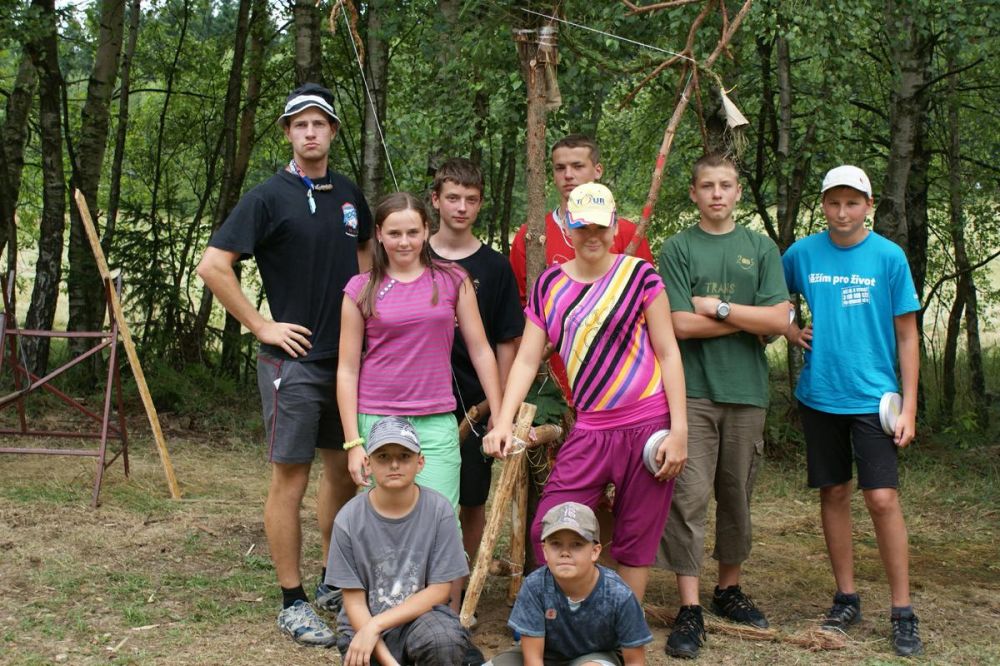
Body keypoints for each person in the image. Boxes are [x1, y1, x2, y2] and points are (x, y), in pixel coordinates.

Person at [196, 82, 370, 646]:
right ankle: (292, 600)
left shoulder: (348, 194)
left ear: (333, 131)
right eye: (300, 124)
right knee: (291, 476)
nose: (310, 132)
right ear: (288, 133)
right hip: (291, 363)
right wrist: (261, 325)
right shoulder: (268, 196)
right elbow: (213, 265)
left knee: (343, 471)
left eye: (320, 123)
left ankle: (331, 579)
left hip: (346, 363)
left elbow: (365, 258)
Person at [484, 183, 688, 603]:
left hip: (648, 423)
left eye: (600, 226)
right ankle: (568, 617)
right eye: (582, 227)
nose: (592, 236)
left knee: (636, 535)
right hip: (591, 427)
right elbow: (526, 359)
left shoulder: (640, 276)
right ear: (569, 230)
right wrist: (503, 421)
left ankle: (624, 625)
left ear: (614, 227)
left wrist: (680, 432)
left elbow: (669, 353)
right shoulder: (549, 285)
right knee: (550, 525)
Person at [782, 165, 923, 657]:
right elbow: (771, 295)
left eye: (852, 203)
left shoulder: (888, 257)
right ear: (823, 204)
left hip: (874, 400)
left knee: (882, 498)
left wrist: (909, 406)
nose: (843, 213)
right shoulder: (802, 253)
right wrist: (789, 329)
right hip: (820, 394)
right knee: (835, 491)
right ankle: (846, 599)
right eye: (834, 203)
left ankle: (902, 611)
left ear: (868, 205)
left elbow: (907, 334)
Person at [657, 153, 791, 659]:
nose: (717, 193)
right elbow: (678, 324)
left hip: (746, 392)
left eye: (726, 185)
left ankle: (728, 588)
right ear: (694, 192)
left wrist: (718, 308)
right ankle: (689, 605)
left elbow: (780, 321)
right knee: (688, 497)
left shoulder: (759, 248)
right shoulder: (678, 248)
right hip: (691, 393)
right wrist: (752, 320)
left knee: (737, 495)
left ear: (737, 192)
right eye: (708, 185)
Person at [337, 191, 502, 514]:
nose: (404, 242)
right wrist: (354, 443)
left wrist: (499, 415)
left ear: (427, 230)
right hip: (378, 417)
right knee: (385, 518)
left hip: (435, 419)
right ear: (379, 234)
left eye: (412, 232)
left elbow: (481, 350)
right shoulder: (360, 288)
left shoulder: (453, 279)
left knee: (441, 518)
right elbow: (347, 369)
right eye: (394, 233)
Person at [428, 158, 524, 611]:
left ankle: (460, 587)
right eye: (452, 198)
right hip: (418, 398)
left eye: (470, 199)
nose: (461, 207)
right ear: (435, 200)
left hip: (473, 402)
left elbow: (505, 343)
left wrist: (498, 410)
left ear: (481, 203)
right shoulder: (413, 253)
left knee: (470, 498)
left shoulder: (495, 267)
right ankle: (419, 582)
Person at [508, 134, 655, 403]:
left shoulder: (626, 233)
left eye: (577, 166)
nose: (568, 175)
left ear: (597, 170)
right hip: (551, 379)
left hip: (619, 380)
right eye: (560, 168)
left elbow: (650, 311)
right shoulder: (531, 235)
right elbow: (518, 310)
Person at [326, 416, 482, 665]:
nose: (394, 464)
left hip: (421, 619)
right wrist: (386, 656)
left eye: (405, 456)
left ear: (420, 462)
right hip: (363, 625)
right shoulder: (348, 519)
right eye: (383, 456)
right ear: (368, 463)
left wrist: (377, 624)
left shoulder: (439, 511)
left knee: (444, 640)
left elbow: (440, 590)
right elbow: (354, 601)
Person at [488, 502, 653, 666]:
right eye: (556, 544)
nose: (565, 553)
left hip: (595, 656)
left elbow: (635, 661)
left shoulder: (618, 593)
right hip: (546, 654)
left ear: (595, 551)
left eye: (576, 544)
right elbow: (533, 660)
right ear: (545, 550)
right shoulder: (535, 586)